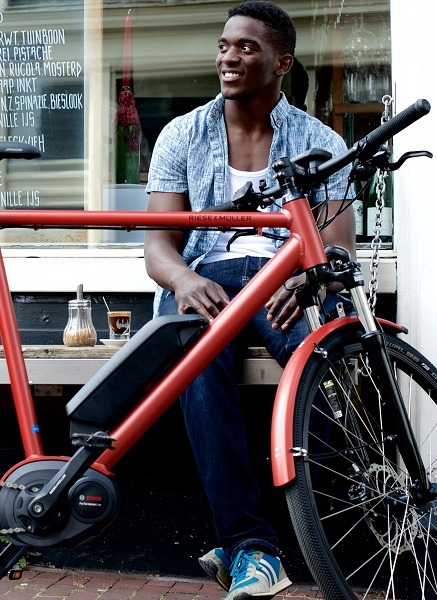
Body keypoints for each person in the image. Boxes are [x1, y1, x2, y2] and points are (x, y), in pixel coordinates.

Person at [143, 2, 354, 598]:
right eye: (224, 45)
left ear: (282, 62)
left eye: (247, 47)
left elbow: (336, 250)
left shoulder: (320, 141)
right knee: (197, 363)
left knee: (327, 363)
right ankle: (252, 550)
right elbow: (160, 246)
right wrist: (183, 282)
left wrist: (308, 282)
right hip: (206, 278)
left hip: (285, 285)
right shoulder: (182, 133)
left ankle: (296, 531)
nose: (229, 57)